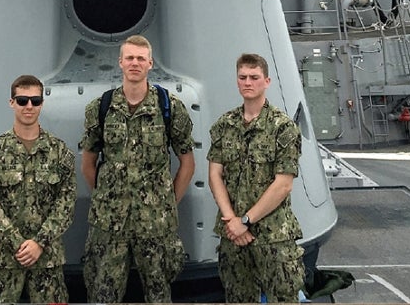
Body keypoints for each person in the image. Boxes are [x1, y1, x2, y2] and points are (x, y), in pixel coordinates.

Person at [80, 35, 195, 303]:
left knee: (159, 294)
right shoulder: (101, 108)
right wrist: (105, 200)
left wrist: (167, 204)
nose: (135, 63)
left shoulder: (169, 107)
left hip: (155, 226)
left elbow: (187, 164)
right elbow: (88, 163)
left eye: (140, 59)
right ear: (120, 63)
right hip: (110, 226)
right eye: (129, 58)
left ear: (150, 64)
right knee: (103, 295)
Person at [207, 53, 305, 303]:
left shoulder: (283, 127)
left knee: (283, 298)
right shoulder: (224, 125)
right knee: (237, 298)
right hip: (233, 234)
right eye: (242, 77)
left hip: (273, 236)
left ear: (267, 81)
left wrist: (246, 220)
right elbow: (214, 175)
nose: (248, 82)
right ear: (237, 81)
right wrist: (232, 220)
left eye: (254, 77)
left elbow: (283, 184)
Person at [0, 75, 75, 303]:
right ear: (12, 103)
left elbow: (65, 204)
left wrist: (39, 242)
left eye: (35, 101)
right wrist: (18, 244)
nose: (29, 106)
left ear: (41, 103)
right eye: (22, 100)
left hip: (47, 259)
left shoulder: (59, 153)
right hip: (4, 259)